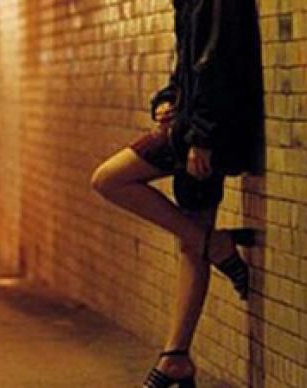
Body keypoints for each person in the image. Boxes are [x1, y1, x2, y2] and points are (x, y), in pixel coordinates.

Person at [90, 0, 263, 386]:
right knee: (192, 243)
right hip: (191, 125)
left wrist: (201, 137)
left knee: (108, 179)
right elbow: (188, 62)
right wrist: (167, 99)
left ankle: (213, 246)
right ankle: (176, 356)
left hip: (204, 134)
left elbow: (216, 62)